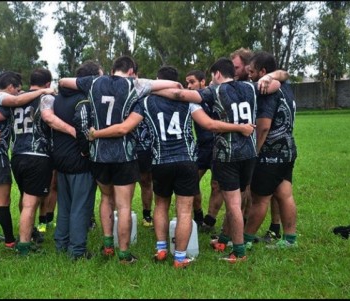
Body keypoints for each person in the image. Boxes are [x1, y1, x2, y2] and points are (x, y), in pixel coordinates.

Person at [89, 65, 255, 268]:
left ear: (158, 81)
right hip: (186, 160)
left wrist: (96, 133)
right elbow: (207, 123)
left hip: (160, 161)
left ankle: (161, 249)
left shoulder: (146, 101)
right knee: (184, 211)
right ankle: (179, 257)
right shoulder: (189, 101)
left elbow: (127, 127)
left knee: (161, 205)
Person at [152, 58, 281, 263]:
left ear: (218, 74)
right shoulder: (252, 86)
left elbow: (180, 94)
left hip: (227, 154)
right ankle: (223, 239)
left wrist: (151, 88)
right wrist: (272, 76)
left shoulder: (215, 91)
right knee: (238, 200)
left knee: (233, 205)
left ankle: (238, 252)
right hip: (249, 152)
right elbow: (277, 83)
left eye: (212, 76)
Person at [58, 55, 183, 264]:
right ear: (132, 71)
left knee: (106, 199)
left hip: (98, 155)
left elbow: (63, 81)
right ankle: (124, 254)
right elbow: (175, 84)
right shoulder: (136, 84)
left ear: (112, 69)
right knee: (124, 206)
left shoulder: (93, 82)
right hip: (124, 155)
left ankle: (108, 246)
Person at [0, 68, 73, 256]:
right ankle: (24, 246)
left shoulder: (16, 99)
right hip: (37, 156)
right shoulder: (45, 97)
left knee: (24, 197)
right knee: (30, 203)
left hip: (17, 155)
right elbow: (49, 119)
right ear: (47, 84)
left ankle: (25, 233)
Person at [41, 60, 103, 260]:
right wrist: (86, 151)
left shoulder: (58, 99)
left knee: (65, 205)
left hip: (60, 159)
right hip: (78, 160)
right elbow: (82, 126)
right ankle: (77, 251)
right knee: (81, 206)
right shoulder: (83, 100)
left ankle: (61, 244)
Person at [243, 51, 298, 250]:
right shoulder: (286, 87)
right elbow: (285, 74)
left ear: (263, 72)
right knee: (285, 194)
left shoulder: (267, 90)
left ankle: (245, 240)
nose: (249, 75)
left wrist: (254, 152)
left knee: (260, 199)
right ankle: (290, 239)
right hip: (288, 149)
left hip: (270, 154)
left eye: (251, 71)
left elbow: (264, 126)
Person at [185, 70, 223, 234]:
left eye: (192, 82)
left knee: (217, 185)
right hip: (200, 148)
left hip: (217, 146)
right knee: (190, 182)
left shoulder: (215, 95)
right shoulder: (191, 101)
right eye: (187, 83)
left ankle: (210, 220)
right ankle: (198, 216)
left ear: (203, 82)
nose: (189, 86)